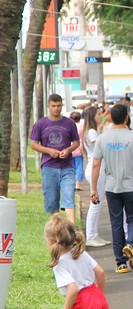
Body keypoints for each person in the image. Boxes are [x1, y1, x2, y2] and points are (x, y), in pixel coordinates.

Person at [91, 104, 133, 274]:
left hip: (111, 187)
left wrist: (94, 189)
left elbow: (95, 165)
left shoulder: (102, 138)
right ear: (127, 118)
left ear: (110, 118)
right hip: (131, 186)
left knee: (116, 223)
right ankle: (131, 244)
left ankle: (120, 263)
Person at [31, 94, 81, 223]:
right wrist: (48, 151)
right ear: (49, 106)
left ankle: (71, 228)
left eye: (58, 106)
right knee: (52, 201)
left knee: (69, 195)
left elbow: (76, 142)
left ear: (62, 106)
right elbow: (34, 144)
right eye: (53, 106)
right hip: (49, 166)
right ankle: (57, 228)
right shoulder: (40, 124)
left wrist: (68, 150)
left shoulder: (69, 123)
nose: (56, 109)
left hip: (67, 166)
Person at [82, 106, 109, 248]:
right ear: (93, 116)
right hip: (95, 169)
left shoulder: (92, 131)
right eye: (99, 114)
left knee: (98, 204)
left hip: (97, 168)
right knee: (96, 203)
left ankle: (94, 234)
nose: (101, 116)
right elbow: (101, 149)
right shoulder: (92, 132)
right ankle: (91, 236)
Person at [70, 111, 84, 191]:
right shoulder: (81, 126)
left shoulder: (69, 126)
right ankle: (78, 183)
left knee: (71, 166)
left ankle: (72, 182)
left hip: (70, 148)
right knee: (79, 166)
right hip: (79, 148)